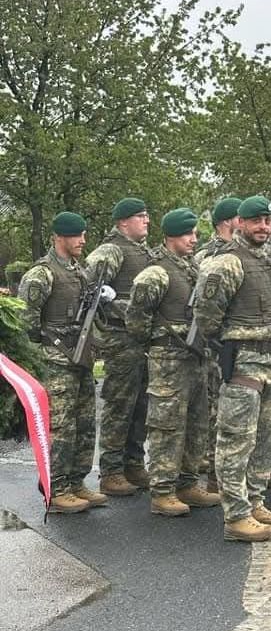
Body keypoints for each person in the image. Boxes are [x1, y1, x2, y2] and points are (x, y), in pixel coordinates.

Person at [193, 195, 271, 542]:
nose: (263, 227)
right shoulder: (225, 264)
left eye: (267, 221)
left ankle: (255, 500)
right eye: (255, 221)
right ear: (239, 222)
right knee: (237, 440)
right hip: (244, 361)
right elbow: (206, 318)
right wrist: (228, 347)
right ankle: (236, 514)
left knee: (268, 437)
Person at [126, 209, 220, 516]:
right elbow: (136, 319)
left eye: (195, 234)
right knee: (166, 426)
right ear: (170, 236)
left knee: (196, 423)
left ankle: (188, 483)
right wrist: (160, 340)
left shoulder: (192, 267)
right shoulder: (156, 273)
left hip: (195, 359)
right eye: (187, 234)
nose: (194, 239)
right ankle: (163, 490)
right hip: (168, 360)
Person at [19, 212, 108, 514]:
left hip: (79, 359)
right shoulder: (41, 275)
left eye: (83, 234)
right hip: (56, 361)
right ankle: (56, 488)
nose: (83, 240)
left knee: (85, 424)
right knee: (61, 427)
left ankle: (76, 481)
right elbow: (26, 323)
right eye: (76, 235)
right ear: (59, 236)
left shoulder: (79, 271)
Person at [85, 198, 153, 497]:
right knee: (119, 407)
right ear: (123, 221)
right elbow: (90, 287)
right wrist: (110, 301)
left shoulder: (142, 251)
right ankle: (111, 471)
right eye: (140, 216)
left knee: (141, 407)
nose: (147, 220)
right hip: (120, 339)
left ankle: (134, 463)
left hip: (141, 339)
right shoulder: (110, 250)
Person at [195, 196, 243, 494]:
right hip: (218, 345)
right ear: (228, 222)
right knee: (217, 412)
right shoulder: (207, 257)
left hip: (237, 343)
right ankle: (215, 475)